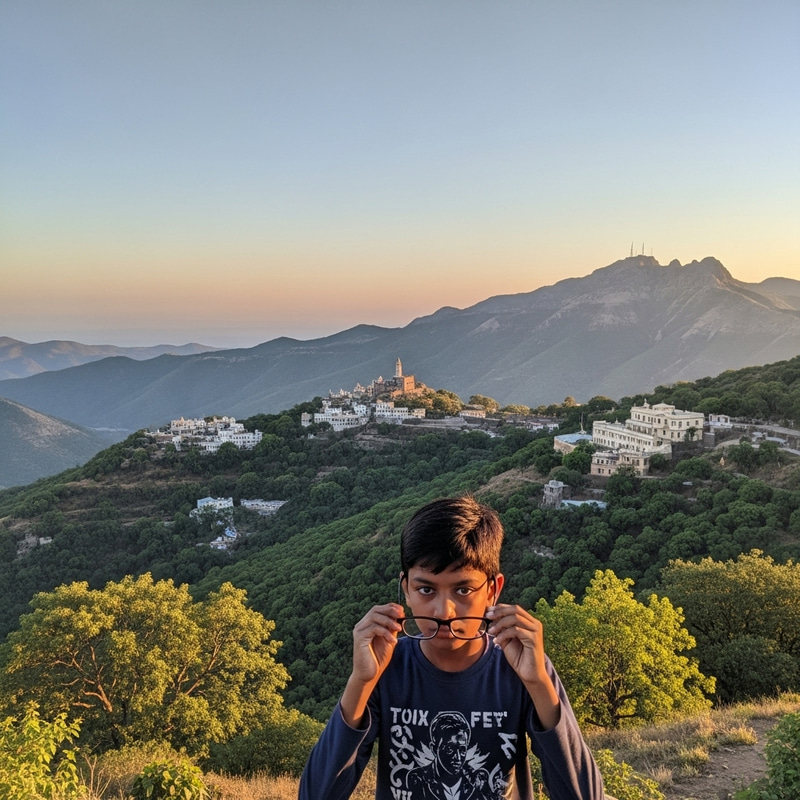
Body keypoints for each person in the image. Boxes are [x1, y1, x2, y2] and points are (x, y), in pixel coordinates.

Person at [298, 495, 605, 800]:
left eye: (463, 589)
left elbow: (583, 795)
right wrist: (361, 682)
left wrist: (537, 683)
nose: (444, 611)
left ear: (492, 590)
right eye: (426, 589)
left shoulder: (521, 667)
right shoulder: (387, 667)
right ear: (405, 589)